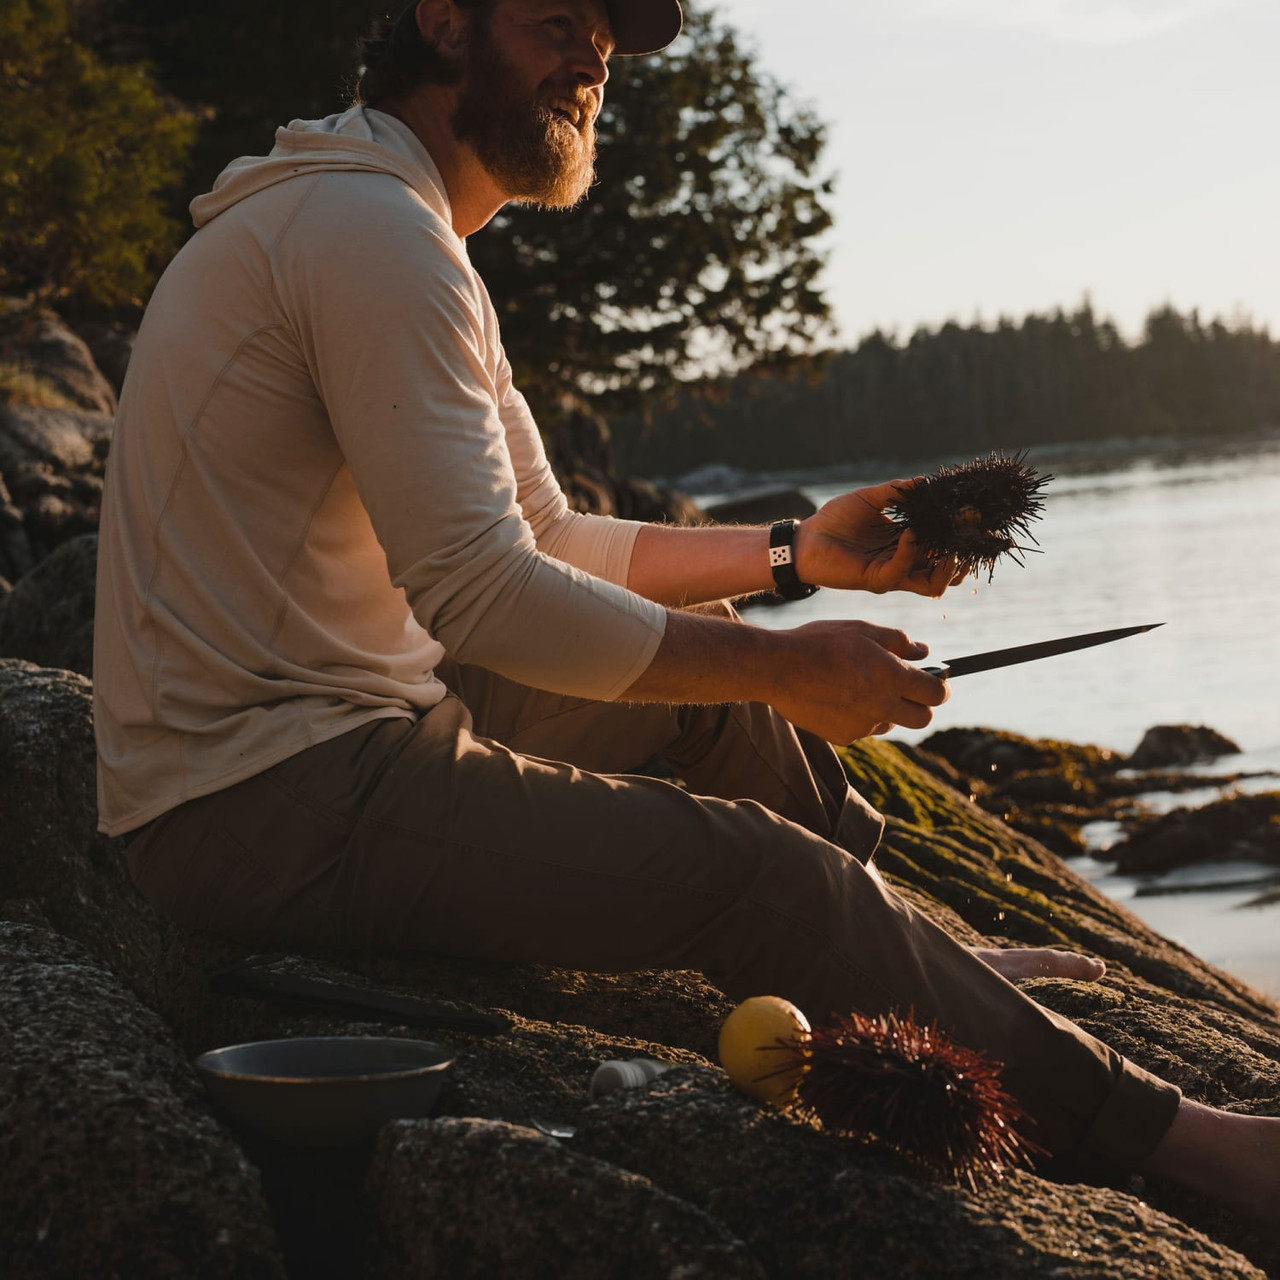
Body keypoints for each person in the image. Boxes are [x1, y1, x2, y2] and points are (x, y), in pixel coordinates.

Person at [93, 0, 1278, 1220]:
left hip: (334, 726)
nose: (593, 60)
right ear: (441, 20)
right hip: (263, 796)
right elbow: (486, 592)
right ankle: (1194, 1149)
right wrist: (786, 667)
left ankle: (902, 960)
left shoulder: (383, 219)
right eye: (556, 20)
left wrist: (795, 554)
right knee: (762, 876)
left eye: (608, 42)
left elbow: (549, 538)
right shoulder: (369, 234)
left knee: (715, 703)